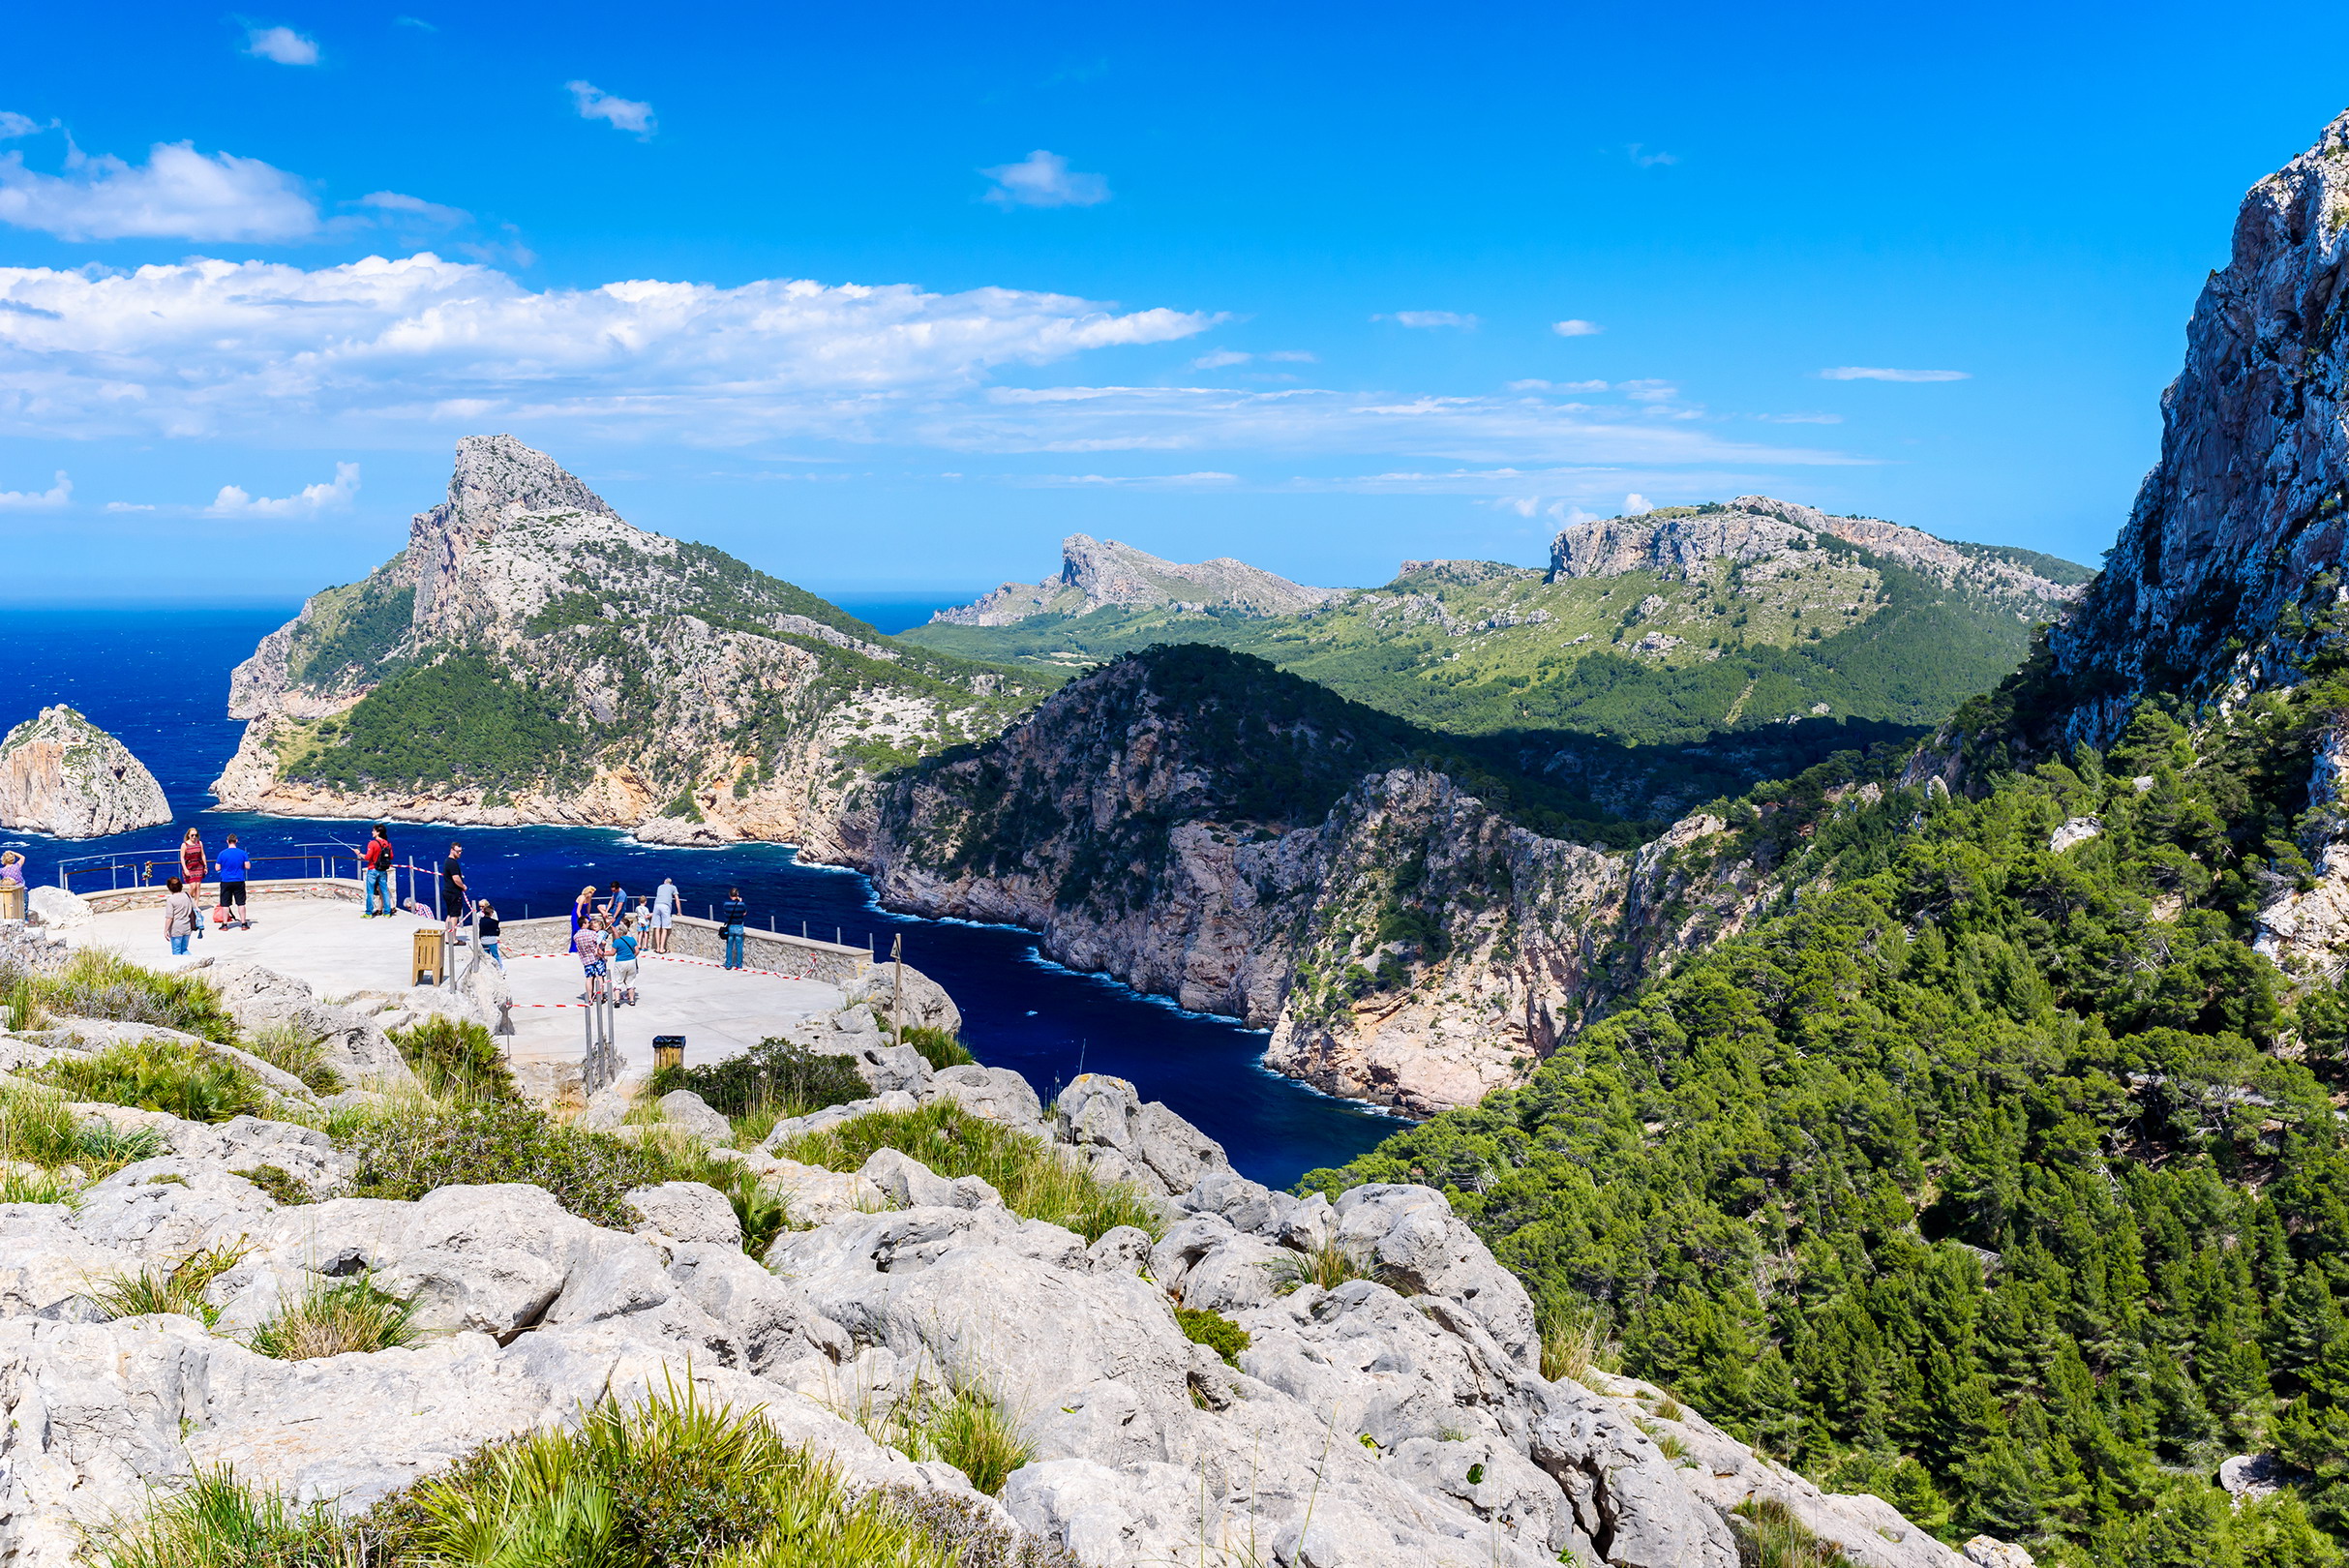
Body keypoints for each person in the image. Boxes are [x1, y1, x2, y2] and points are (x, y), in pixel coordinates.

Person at [214, 833, 252, 929]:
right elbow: (248, 866)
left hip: (226, 880)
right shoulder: (242, 853)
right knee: (241, 903)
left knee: (225, 904)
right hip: (239, 880)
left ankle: (225, 924)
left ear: (227, 841)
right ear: (236, 841)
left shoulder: (222, 853)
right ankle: (243, 923)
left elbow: (217, 868)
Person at [577, 913, 612, 1002]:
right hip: (597, 958)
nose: (589, 924)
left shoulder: (576, 936)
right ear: (584, 924)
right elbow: (601, 942)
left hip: (586, 960)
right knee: (600, 977)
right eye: (588, 922)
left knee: (589, 978)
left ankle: (589, 998)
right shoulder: (592, 934)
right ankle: (600, 997)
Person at [162, 875, 199, 956]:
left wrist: (165, 930)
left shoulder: (170, 900)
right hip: (187, 927)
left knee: (177, 951)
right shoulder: (187, 896)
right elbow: (195, 908)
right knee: (184, 950)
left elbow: (169, 917)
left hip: (176, 929)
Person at [361, 825, 393, 918]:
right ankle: (387, 912)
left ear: (378, 832)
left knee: (370, 892)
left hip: (373, 869)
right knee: (385, 891)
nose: (372, 832)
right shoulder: (387, 843)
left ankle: (368, 913)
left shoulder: (372, 843)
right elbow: (391, 856)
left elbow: (367, 857)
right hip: (383, 870)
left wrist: (358, 853)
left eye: (373, 831)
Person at [440, 842, 467, 943]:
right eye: (458, 851)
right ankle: (453, 939)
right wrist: (463, 886)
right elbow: (456, 878)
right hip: (453, 893)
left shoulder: (447, 861)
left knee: (449, 914)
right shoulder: (452, 863)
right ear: (452, 850)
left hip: (447, 891)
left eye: (461, 851)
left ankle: (448, 938)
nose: (460, 853)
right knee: (454, 915)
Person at [612, 916, 640, 1006]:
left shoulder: (617, 941)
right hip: (631, 962)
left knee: (618, 981)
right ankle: (631, 1000)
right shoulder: (632, 939)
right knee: (630, 982)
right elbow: (637, 951)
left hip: (620, 962)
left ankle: (617, 1000)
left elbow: (612, 953)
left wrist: (602, 953)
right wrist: (632, 956)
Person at [720, 887, 748, 970]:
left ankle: (728, 964)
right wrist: (740, 902)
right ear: (737, 894)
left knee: (729, 946)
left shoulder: (726, 904)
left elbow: (725, 912)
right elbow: (744, 913)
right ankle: (739, 964)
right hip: (739, 926)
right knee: (739, 946)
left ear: (730, 895)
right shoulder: (742, 905)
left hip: (730, 926)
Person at [179, 828, 207, 905]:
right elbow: (182, 858)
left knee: (198, 885)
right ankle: (188, 902)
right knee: (193, 886)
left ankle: (196, 904)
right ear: (188, 835)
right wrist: (185, 869)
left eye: (196, 835)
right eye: (192, 835)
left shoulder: (199, 843)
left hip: (199, 866)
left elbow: (203, 855)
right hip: (189, 867)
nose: (194, 837)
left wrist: (205, 866)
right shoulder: (184, 845)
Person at [475, 900, 505, 972]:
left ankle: (499, 968)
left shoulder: (493, 913)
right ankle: (496, 969)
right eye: (480, 906)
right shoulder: (478, 915)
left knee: (492, 955)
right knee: (491, 955)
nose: (481, 908)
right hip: (488, 938)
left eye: (483, 906)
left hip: (486, 937)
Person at [650, 874, 678, 953]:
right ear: (671, 883)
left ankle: (657, 948)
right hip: (665, 907)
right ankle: (662, 948)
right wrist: (679, 912)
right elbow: (677, 900)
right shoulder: (673, 887)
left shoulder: (660, 887)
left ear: (664, 882)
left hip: (656, 906)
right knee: (665, 928)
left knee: (657, 927)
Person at [569, 884, 596, 952]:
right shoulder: (582, 897)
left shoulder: (589, 898)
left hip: (584, 913)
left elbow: (589, 905)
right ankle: (574, 949)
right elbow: (578, 910)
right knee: (577, 930)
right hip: (577, 915)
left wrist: (588, 915)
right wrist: (581, 919)